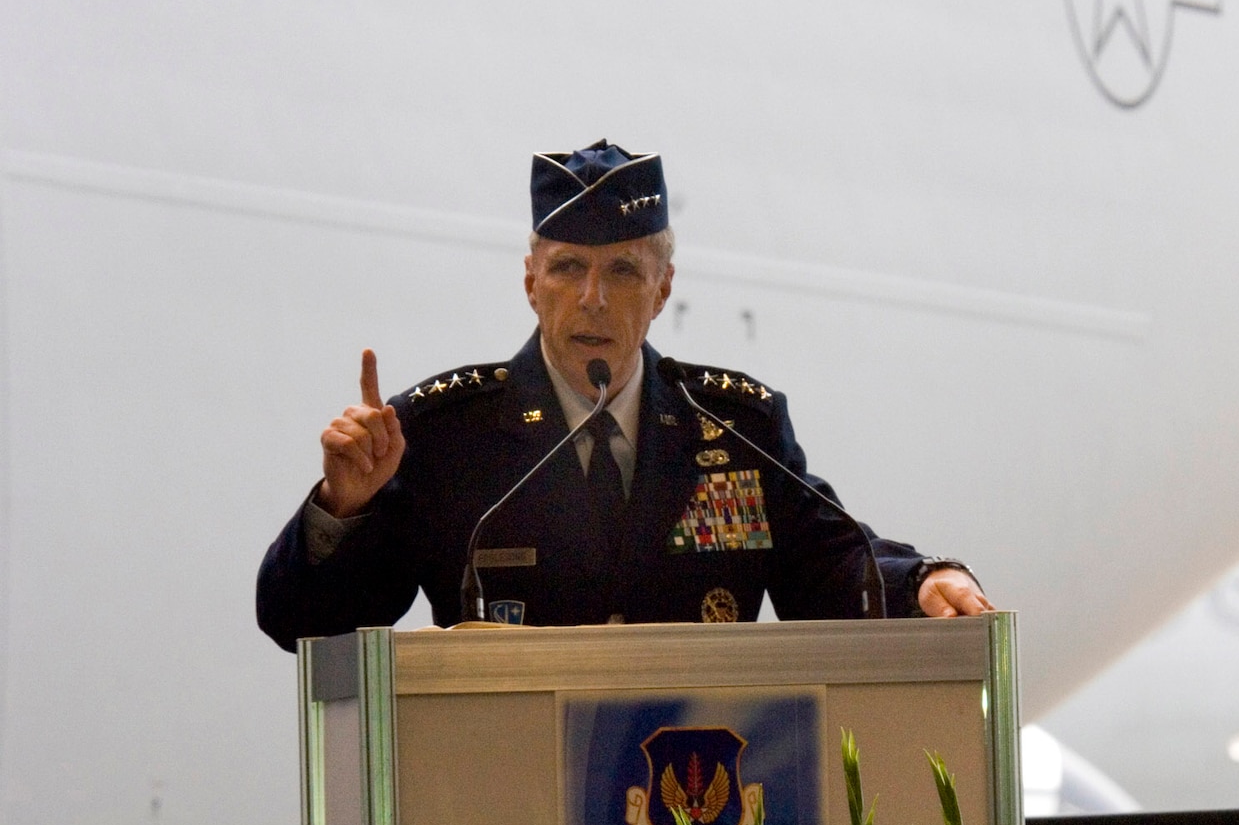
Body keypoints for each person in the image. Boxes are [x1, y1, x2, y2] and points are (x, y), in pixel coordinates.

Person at [256, 140, 990, 650]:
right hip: (503, 804)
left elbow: (831, 568)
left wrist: (925, 582)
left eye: (625, 273)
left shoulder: (735, 427)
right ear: (531, 284)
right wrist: (344, 508)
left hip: (698, 807)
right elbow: (302, 626)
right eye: (569, 268)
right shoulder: (447, 434)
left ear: (664, 288)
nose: (595, 300)